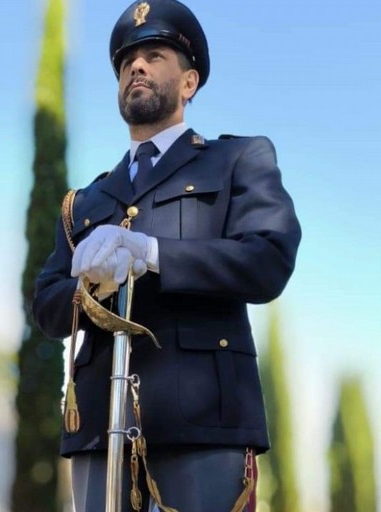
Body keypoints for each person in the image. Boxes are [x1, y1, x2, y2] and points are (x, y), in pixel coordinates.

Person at [32, 1, 301, 511]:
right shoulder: (84, 201)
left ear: (188, 82)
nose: (136, 66)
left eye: (154, 55)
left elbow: (267, 260)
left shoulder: (237, 159)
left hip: (201, 423)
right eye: (127, 61)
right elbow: (46, 306)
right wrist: (91, 288)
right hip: (98, 425)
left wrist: (153, 254)